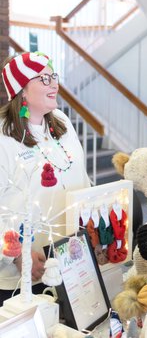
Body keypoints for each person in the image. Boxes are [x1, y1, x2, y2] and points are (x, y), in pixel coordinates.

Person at [0, 52, 90, 304]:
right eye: (44, 78)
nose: (54, 84)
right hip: (23, 277)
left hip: (70, 260)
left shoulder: (62, 122)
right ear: (22, 91)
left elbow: (80, 180)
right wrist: (16, 255)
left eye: (54, 76)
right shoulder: (3, 139)